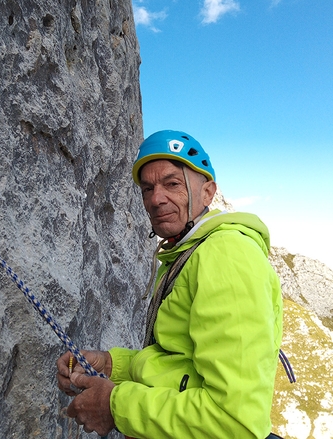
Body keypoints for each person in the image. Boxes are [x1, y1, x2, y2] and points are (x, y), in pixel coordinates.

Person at [57, 130, 283, 438]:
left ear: (207, 192)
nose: (155, 199)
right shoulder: (186, 253)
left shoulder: (226, 254)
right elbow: (177, 362)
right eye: (147, 189)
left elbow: (234, 420)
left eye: (172, 184)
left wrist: (114, 405)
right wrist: (112, 365)